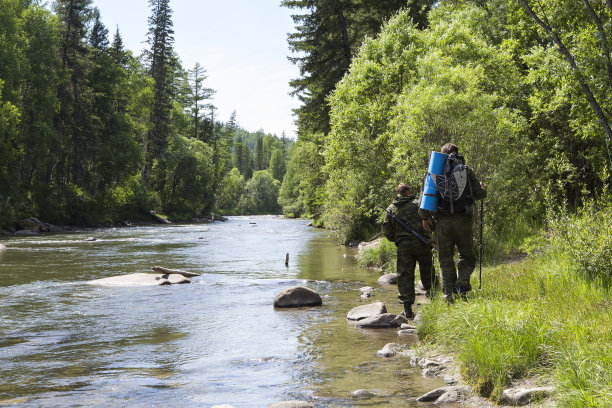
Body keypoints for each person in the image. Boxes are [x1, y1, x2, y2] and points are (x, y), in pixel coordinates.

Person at [419, 143, 486, 301]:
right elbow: (479, 194)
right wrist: (484, 188)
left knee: (445, 259)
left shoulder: (434, 172)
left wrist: (425, 218)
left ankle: (448, 295)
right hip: (464, 220)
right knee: (467, 256)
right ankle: (462, 285)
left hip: (442, 222)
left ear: (441, 156)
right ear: (458, 154)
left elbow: (424, 201)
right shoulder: (466, 170)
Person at [382, 183, 437, 318]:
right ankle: (435, 302)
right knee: (428, 271)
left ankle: (407, 310)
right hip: (422, 244)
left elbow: (386, 231)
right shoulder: (418, 203)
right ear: (407, 191)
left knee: (405, 276)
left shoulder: (391, 209)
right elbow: (431, 221)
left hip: (404, 247)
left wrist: (397, 239)